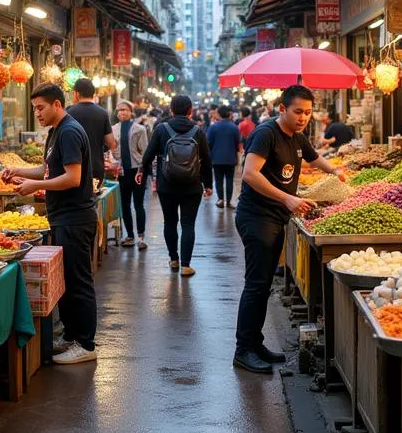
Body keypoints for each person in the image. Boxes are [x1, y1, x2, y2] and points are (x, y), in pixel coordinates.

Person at [233, 85, 346, 374]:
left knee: (263, 284)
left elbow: (313, 157)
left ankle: (255, 344)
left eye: (308, 112)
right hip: (257, 217)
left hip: (274, 217)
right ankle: (244, 350)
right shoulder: (266, 133)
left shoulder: (297, 136)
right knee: (256, 285)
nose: (303, 117)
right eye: (298, 112)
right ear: (282, 109)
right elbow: (249, 174)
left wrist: (334, 171)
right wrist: (287, 198)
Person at [7, 83, 98, 365]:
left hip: (75, 218)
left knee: (79, 281)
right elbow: (49, 169)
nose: (37, 113)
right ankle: (71, 336)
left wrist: (35, 185)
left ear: (57, 105)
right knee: (69, 280)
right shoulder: (57, 132)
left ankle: (85, 344)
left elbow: (72, 177)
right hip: (62, 217)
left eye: (40, 107)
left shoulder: (69, 131)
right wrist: (19, 171)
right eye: (34, 108)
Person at [141, 94, 212, 277]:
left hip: (167, 185)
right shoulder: (198, 131)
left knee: (170, 221)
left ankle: (173, 259)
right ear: (190, 111)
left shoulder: (162, 129)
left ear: (171, 110)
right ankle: (186, 265)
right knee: (188, 224)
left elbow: (149, 153)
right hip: (192, 185)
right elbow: (206, 159)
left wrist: (142, 171)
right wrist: (208, 184)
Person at [112, 99, 149, 249]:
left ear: (131, 112)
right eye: (120, 110)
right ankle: (129, 235)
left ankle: (141, 237)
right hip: (122, 171)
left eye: (125, 109)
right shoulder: (113, 129)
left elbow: (145, 151)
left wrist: (142, 170)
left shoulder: (139, 129)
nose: (122, 112)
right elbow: (112, 149)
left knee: (138, 204)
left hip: (137, 170)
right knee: (125, 204)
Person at [67, 77, 116, 185]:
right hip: (96, 167)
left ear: (76, 94)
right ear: (93, 94)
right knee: (94, 197)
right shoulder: (102, 113)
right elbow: (111, 143)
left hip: (73, 168)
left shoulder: (68, 113)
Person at [207, 104, 241, 208]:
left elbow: (208, 143)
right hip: (230, 157)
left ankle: (220, 199)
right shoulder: (234, 127)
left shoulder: (213, 127)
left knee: (218, 179)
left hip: (216, 158)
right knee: (230, 179)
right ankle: (229, 201)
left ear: (219, 114)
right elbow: (237, 142)